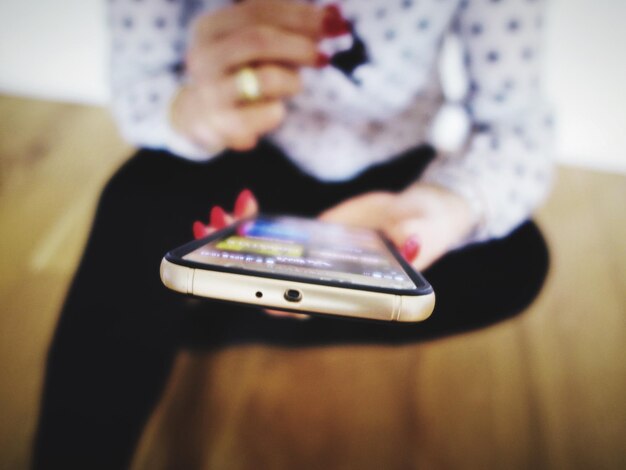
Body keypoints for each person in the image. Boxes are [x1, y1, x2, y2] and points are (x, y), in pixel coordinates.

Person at [33, 0, 552, 467]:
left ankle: (225, 311)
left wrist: (440, 207)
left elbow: (517, 129)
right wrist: (192, 113)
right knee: (133, 207)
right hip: (229, 152)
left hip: (392, 178)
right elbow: (139, 89)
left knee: (517, 261)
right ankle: (244, 304)